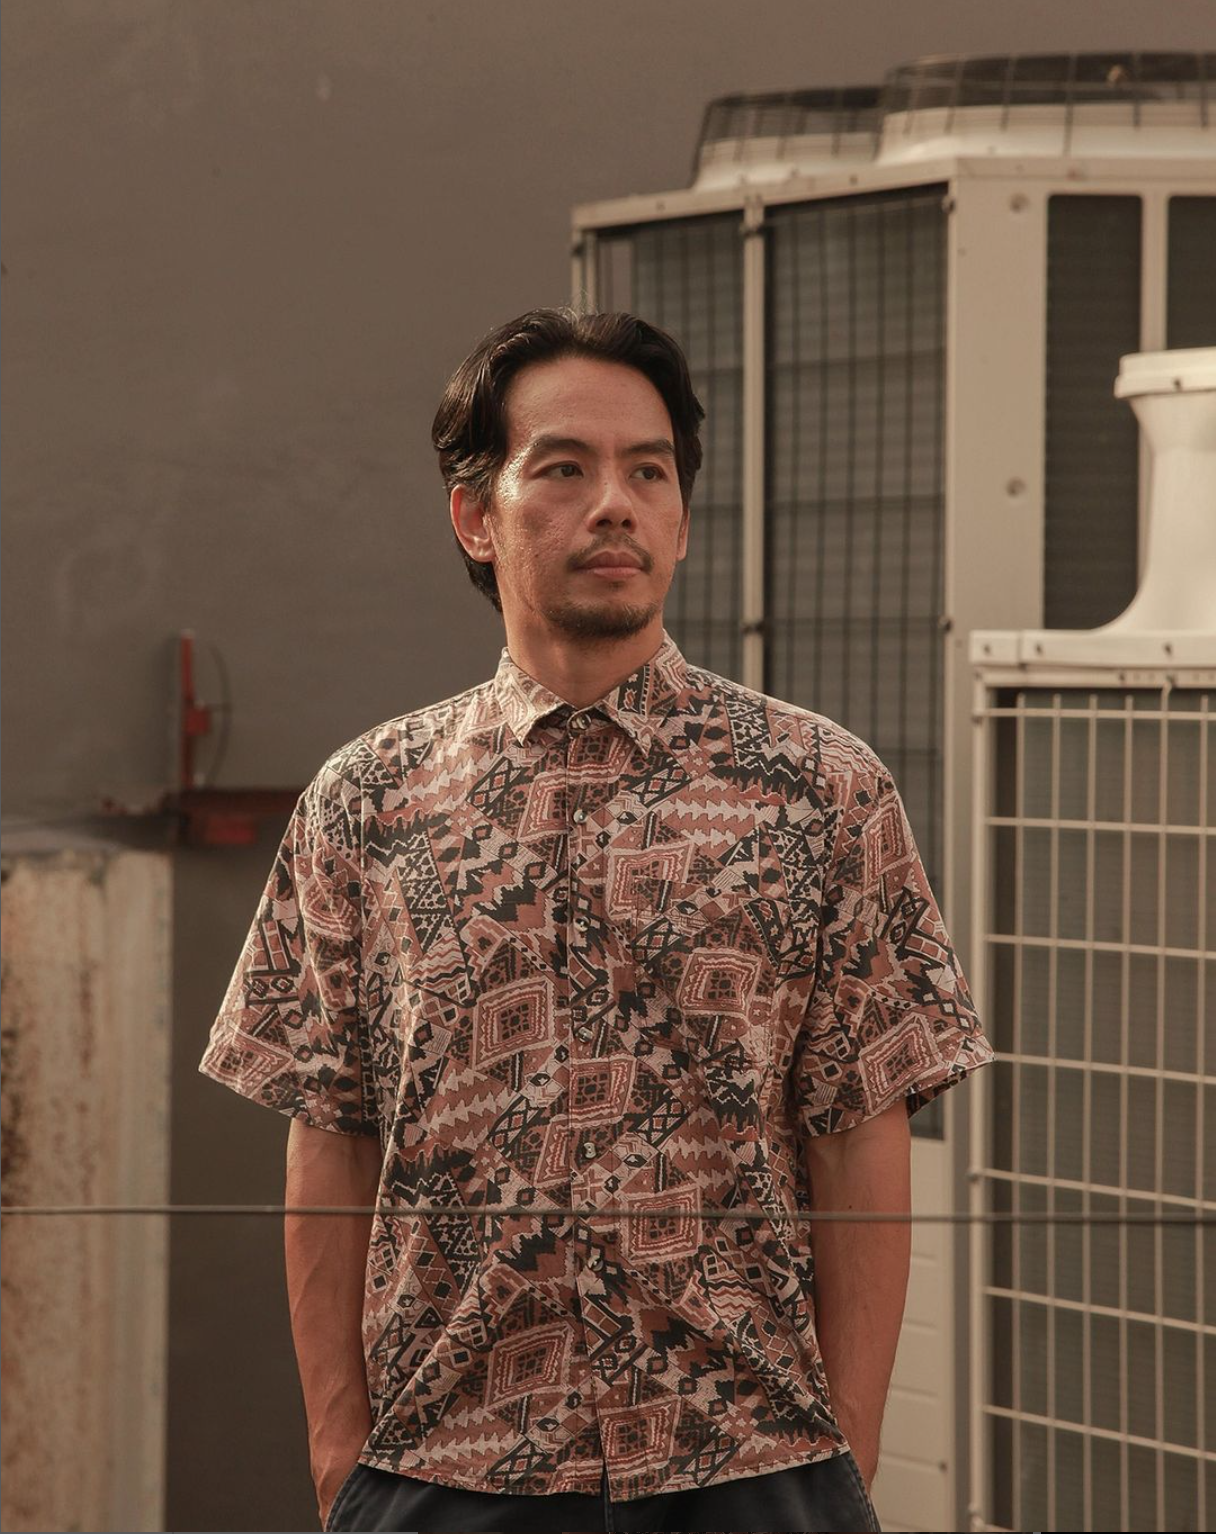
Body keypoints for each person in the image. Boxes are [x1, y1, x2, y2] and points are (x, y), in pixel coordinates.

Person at [200, 308, 994, 1534]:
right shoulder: (366, 803)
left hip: (749, 1463)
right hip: (446, 1465)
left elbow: (859, 1133)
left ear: (681, 517)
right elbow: (331, 1134)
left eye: (649, 472)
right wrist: (340, 1457)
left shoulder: (821, 790)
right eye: (564, 468)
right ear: (476, 515)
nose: (614, 504)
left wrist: (845, 1451)